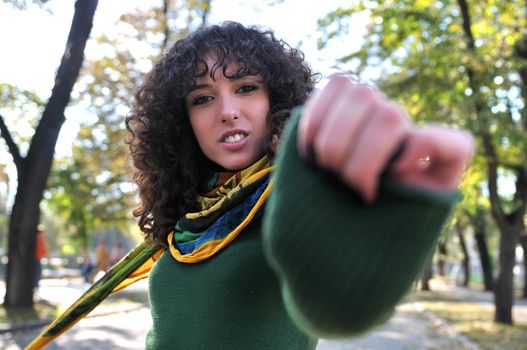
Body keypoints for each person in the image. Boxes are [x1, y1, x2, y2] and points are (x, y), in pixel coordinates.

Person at [26, 21, 474, 349]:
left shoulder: (295, 196)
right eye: (202, 98)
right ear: (183, 124)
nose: (226, 110)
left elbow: (332, 298)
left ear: (275, 100)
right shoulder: (189, 217)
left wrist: (382, 222)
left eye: (246, 88)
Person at [34, 224, 48, 290]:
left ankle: (35, 286)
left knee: (37, 272)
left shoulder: (37, 237)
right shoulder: (39, 238)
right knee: (37, 273)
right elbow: (42, 249)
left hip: (37, 258)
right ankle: (35, 286)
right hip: (36, 258)